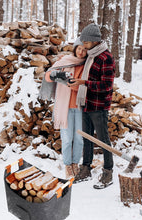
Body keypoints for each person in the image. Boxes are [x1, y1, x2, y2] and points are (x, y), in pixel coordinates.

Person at [70, 23, 115, 189]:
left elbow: (107, 85)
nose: (84, 45)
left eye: (86, 42)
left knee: (103, 140)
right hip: (86, 102)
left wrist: (84, 83)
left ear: (94, 41)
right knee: (86, 137)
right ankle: (86, 169)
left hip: (99, 105)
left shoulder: (106, 57)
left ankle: (108, 171)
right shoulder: (90, 55)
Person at [40, 38, 87, 179]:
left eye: (84, 50)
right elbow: (48, 76)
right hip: (64, 107)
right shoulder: (64, 61)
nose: (81, 52)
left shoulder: (86, 66)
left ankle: (75, 163)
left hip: (79, 107)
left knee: (79, 139)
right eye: (79, 48)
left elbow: (85, 85)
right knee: (67, 139)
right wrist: (55, 75)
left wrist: (72, 85)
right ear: (75, 48)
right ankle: (67, 165)